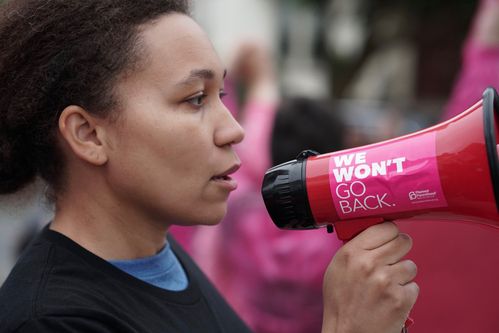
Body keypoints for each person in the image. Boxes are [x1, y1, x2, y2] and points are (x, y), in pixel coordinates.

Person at [0, 1, 419, 332]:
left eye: (223, 93)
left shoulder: (167, 263)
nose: (233, 129)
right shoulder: (51, 320)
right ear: (89, 134)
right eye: (196, 99)